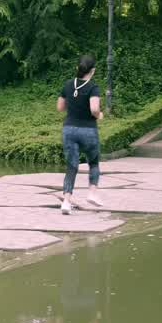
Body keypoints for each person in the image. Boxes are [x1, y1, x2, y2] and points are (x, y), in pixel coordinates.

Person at [57, 55, 104, 214]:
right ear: (93, 70)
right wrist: (100, 115)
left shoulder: (68, 84)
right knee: (94, 163)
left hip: (69, 129)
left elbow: (60, 107)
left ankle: (66, 202)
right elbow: (94, 109)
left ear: (77, 68)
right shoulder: (93, 87)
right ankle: (92, 193)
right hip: (88, 130)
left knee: (71, 166)